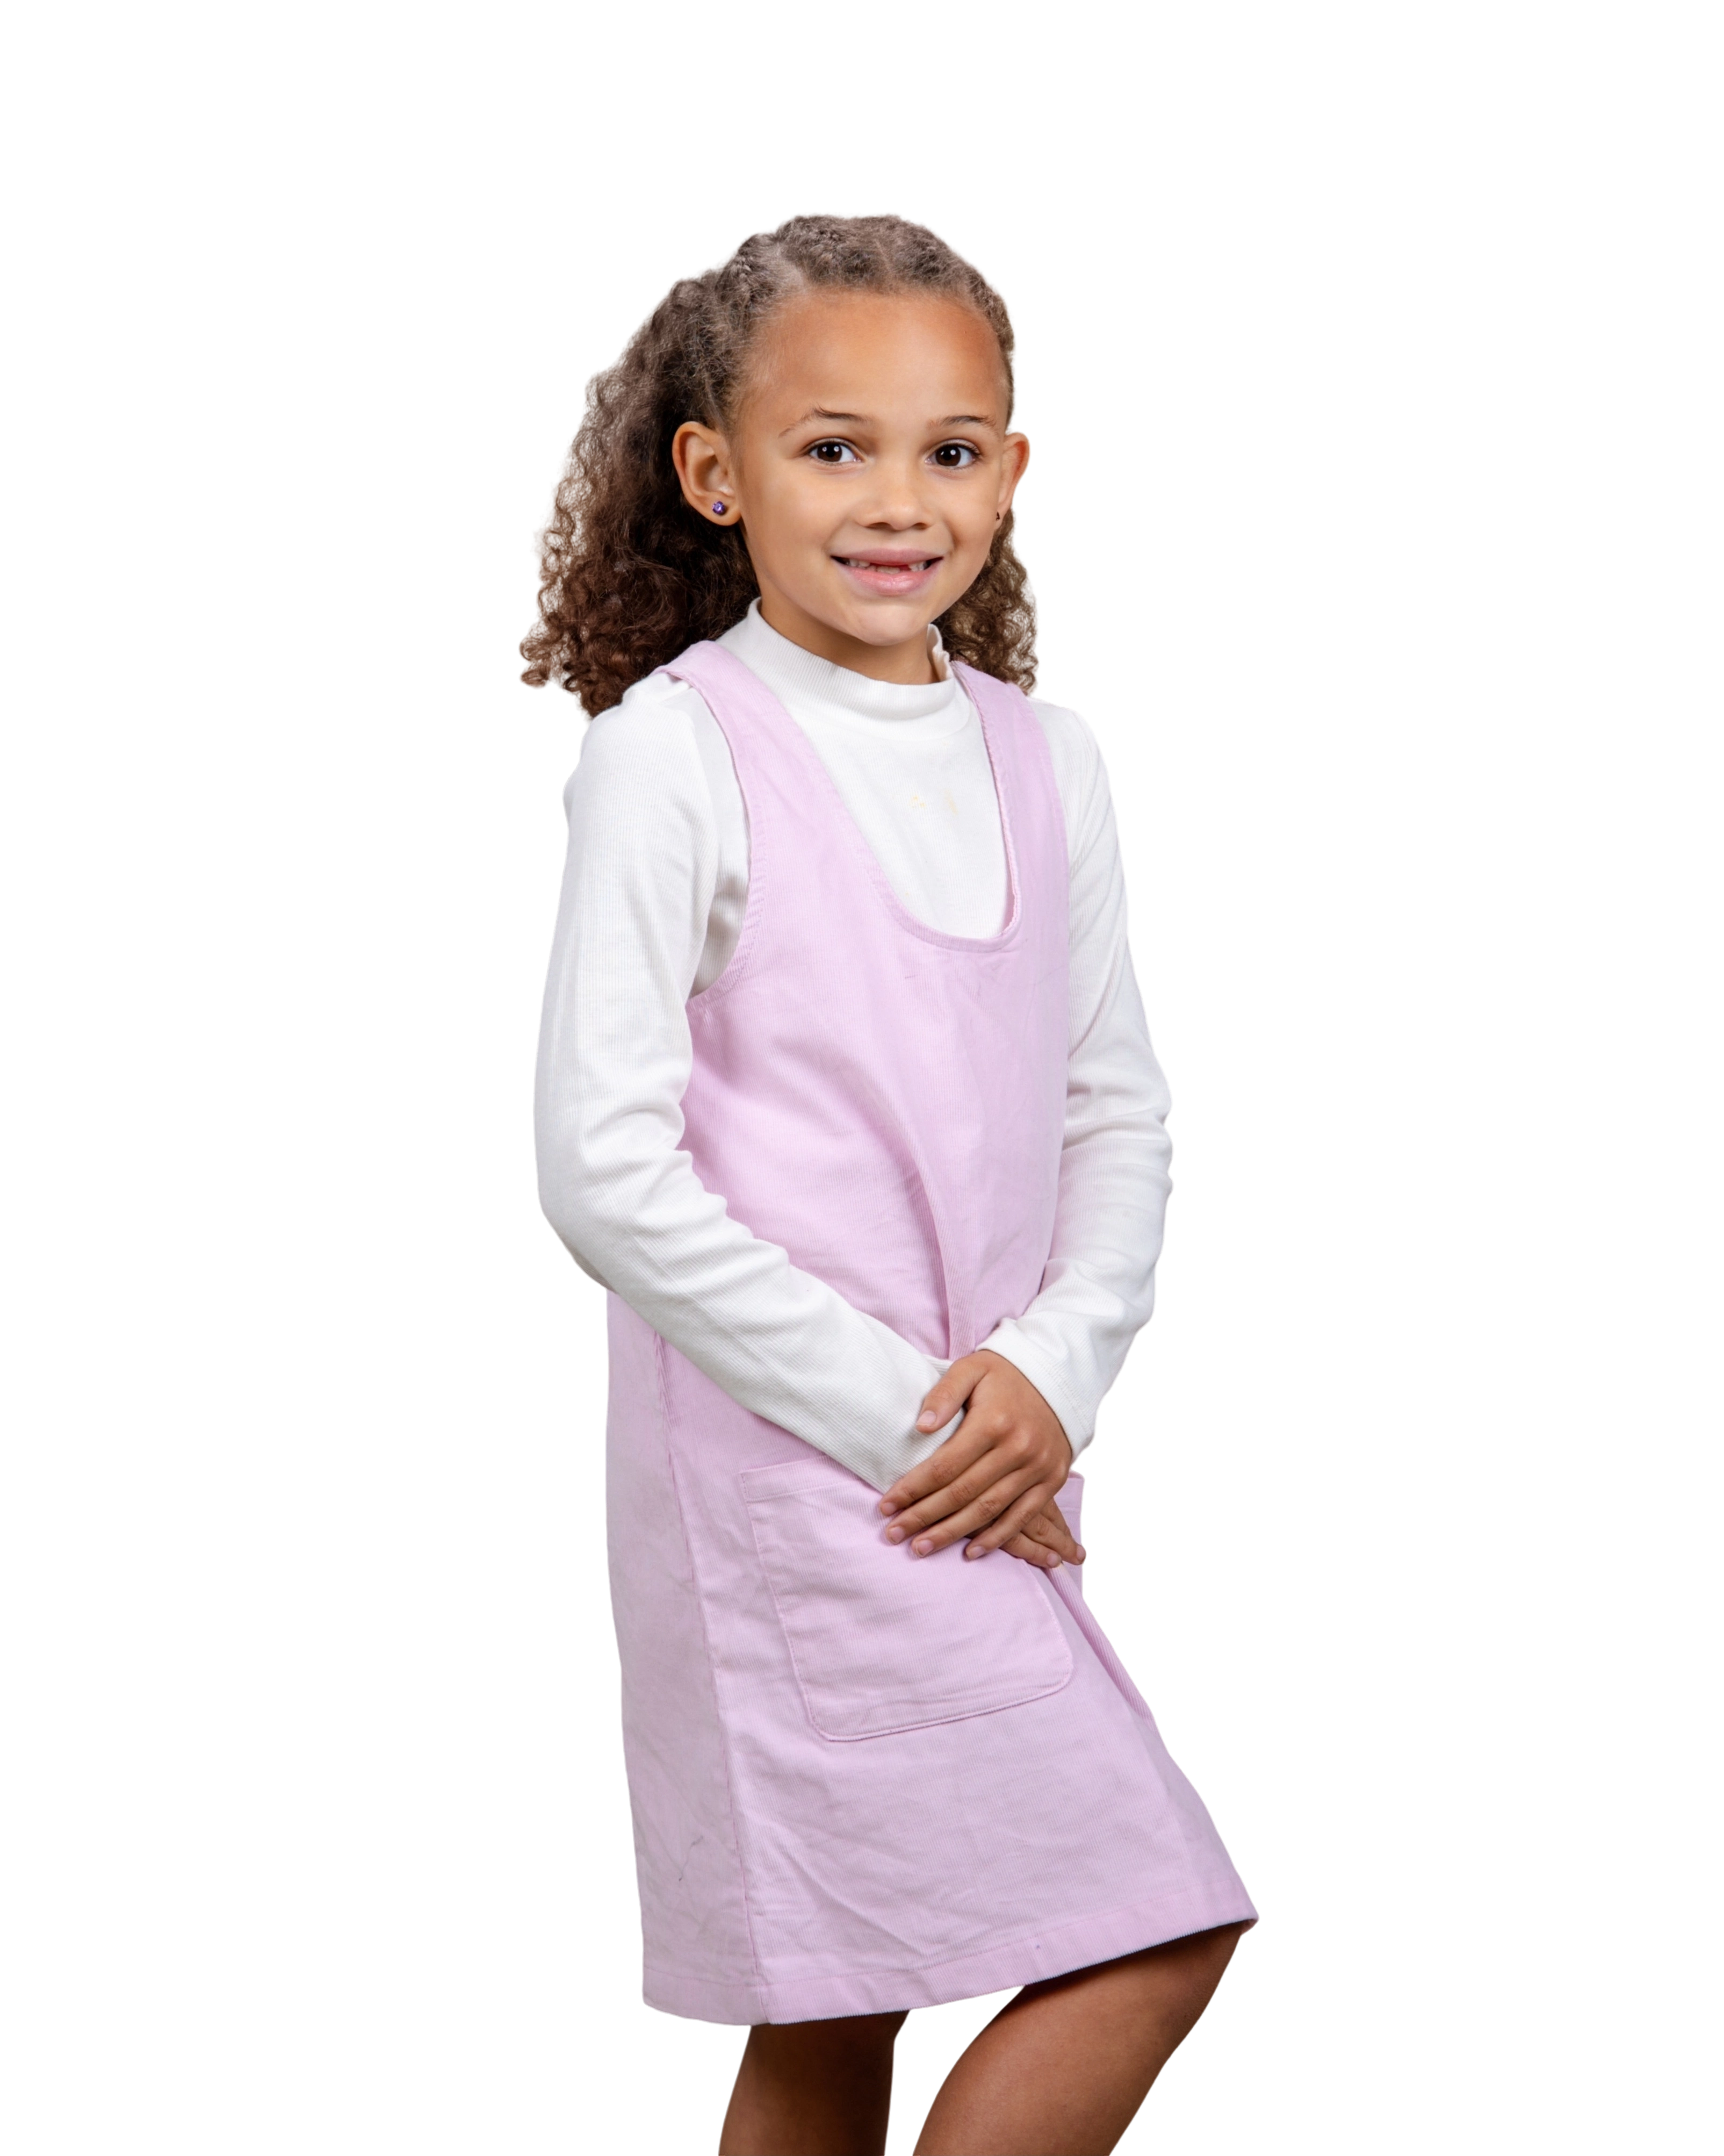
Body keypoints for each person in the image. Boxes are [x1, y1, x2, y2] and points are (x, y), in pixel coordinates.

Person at [521, 207, 1258, 2156]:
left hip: (989, 1459)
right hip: (797, 1478)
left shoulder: (1048, 758)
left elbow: (1117, 1107)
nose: (897, 500)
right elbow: (600, 1163)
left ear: (1012, 472)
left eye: (950, 449)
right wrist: (911, 1418)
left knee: (836, 1998)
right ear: (717, 473)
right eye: (832, 445)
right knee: (1138, 1929)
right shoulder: (677, 755)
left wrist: (1055, 1372)